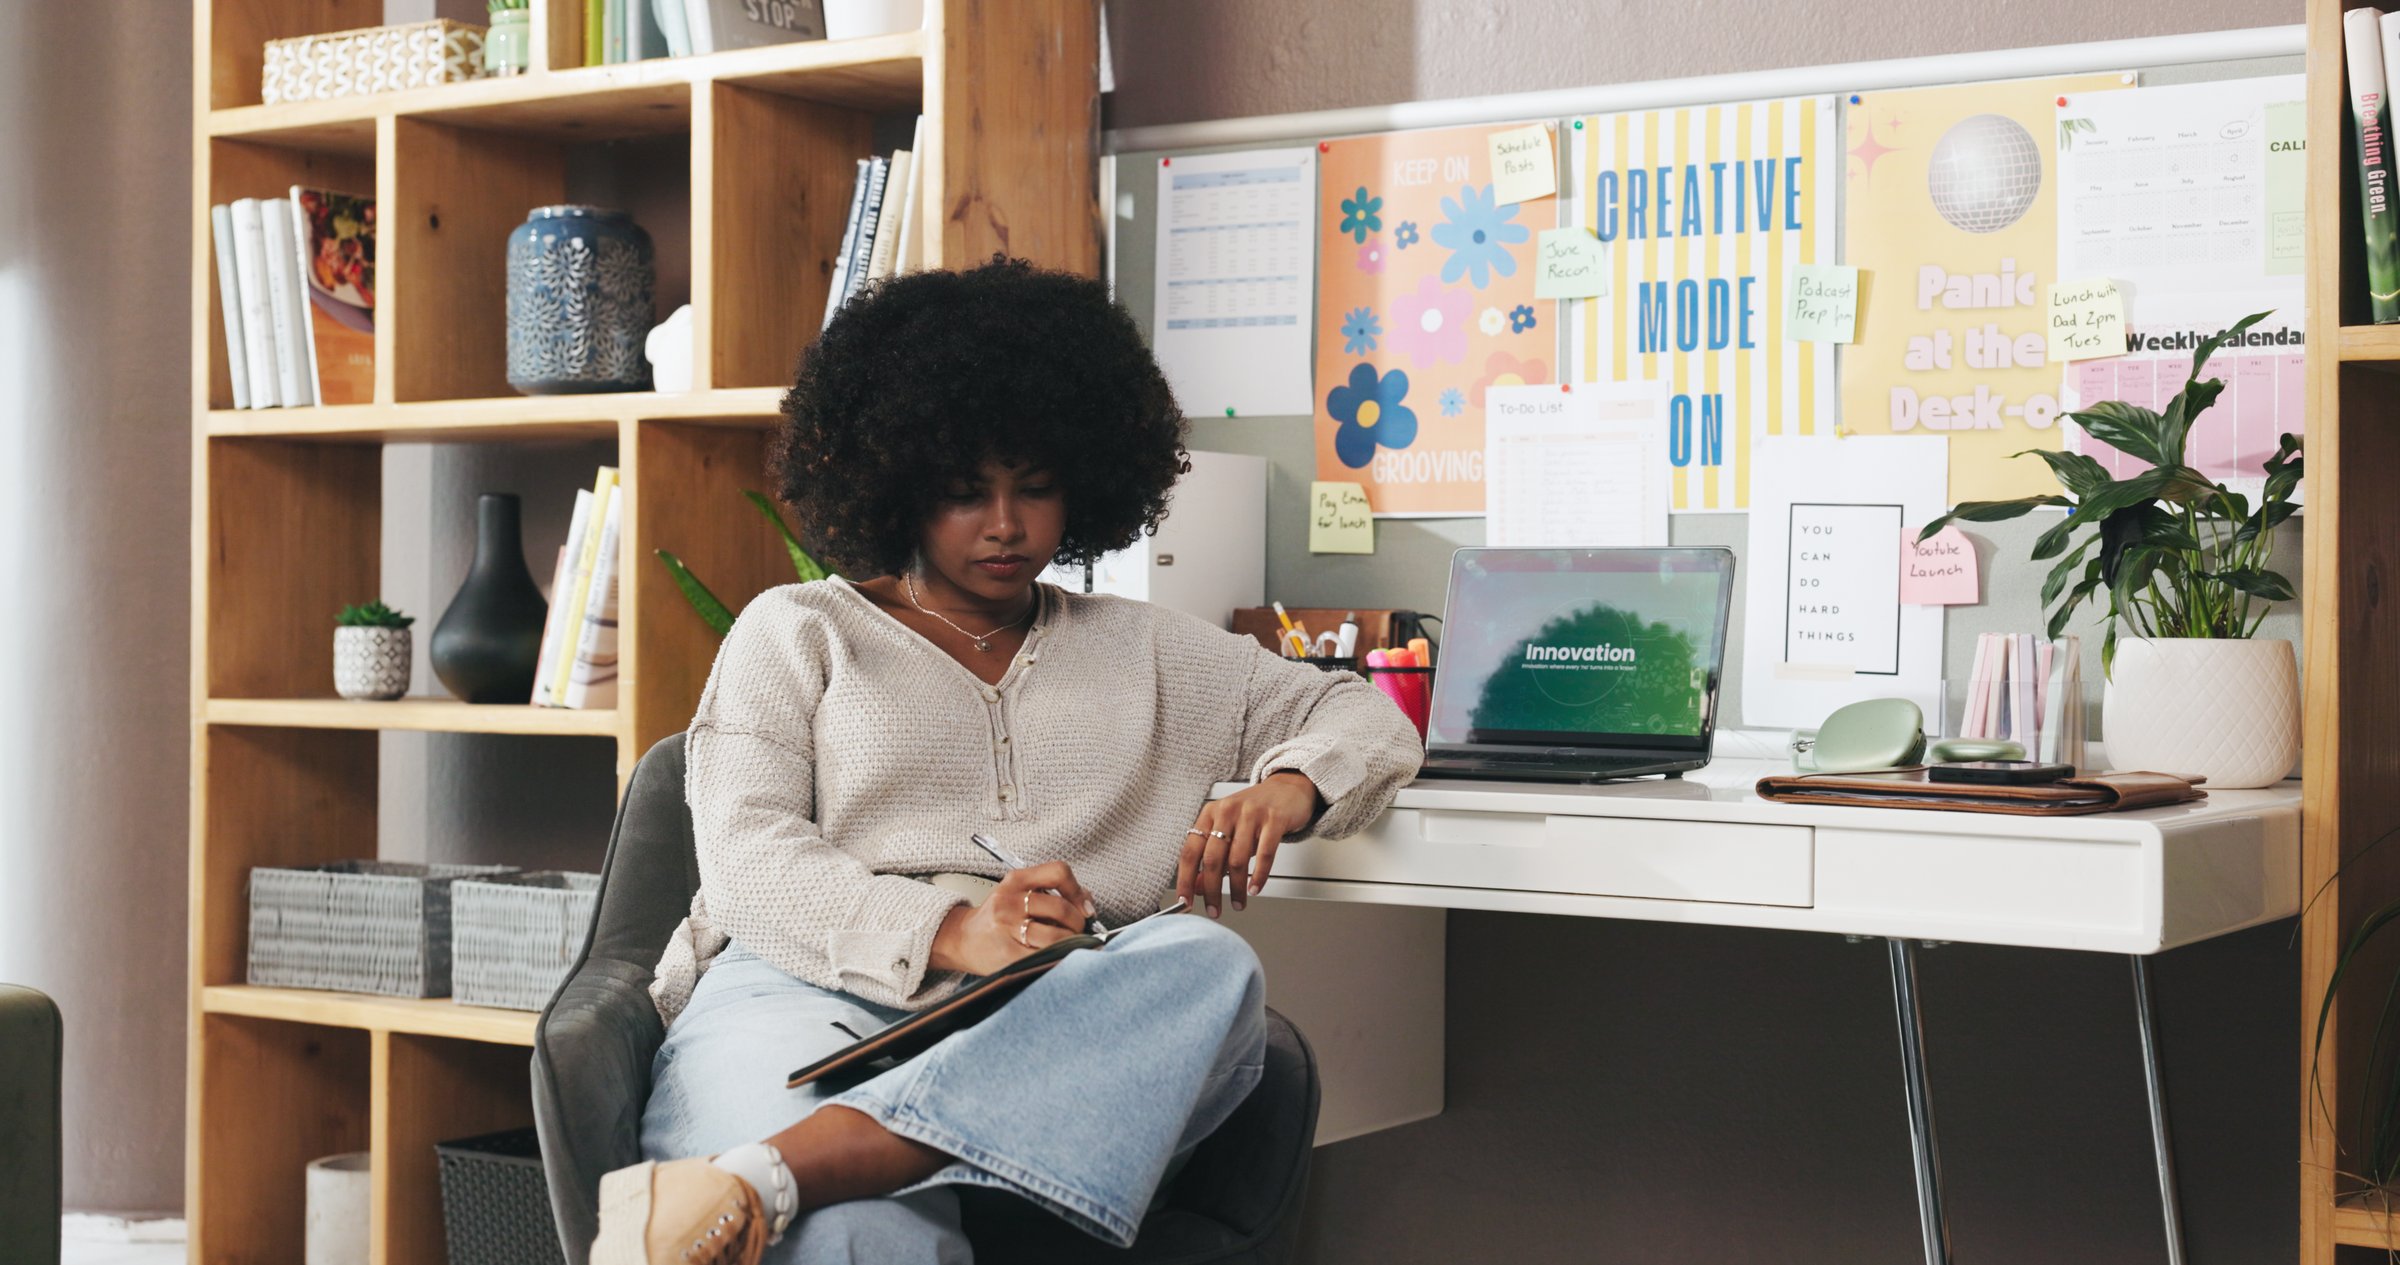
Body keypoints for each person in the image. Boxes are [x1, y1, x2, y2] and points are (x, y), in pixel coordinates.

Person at [592, 257, 1425, 1265]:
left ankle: (797, 1163)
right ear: (892, 482)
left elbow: (1360, 712)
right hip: (798, 993)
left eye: (1035, 488)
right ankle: (835, 1171)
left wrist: (1291, 784)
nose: (1005, 524)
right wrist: (953, 929)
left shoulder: (1150, 648)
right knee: (861, 1234)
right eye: (963, 492)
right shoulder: (796, 631)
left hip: (1044, 1020)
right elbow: (748, 861)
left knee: (1209, 966)